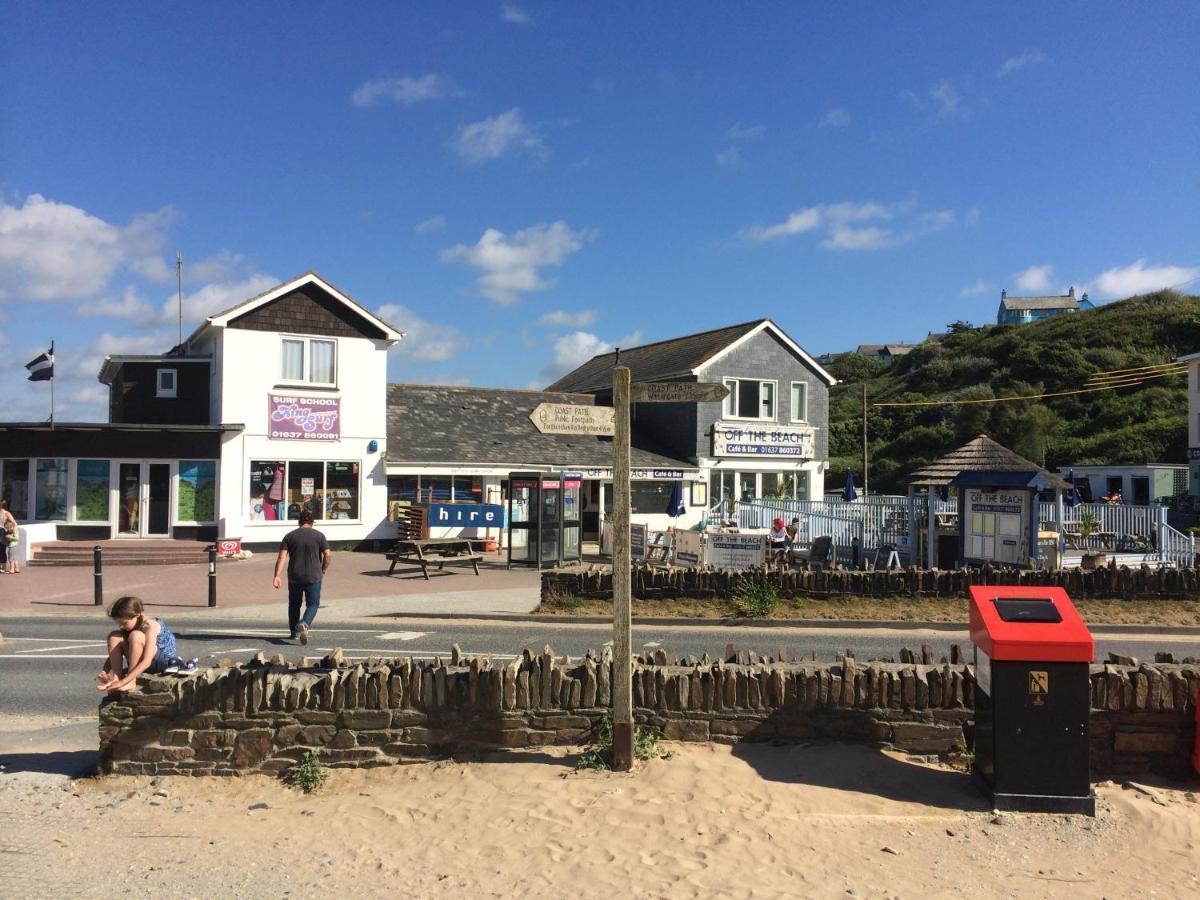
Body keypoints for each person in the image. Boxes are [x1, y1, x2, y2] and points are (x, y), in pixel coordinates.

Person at [96, 596, 189, 692]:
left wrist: (124, 681)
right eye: (118, 623)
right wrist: (105, 671)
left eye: (124, 623)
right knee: (114, 636)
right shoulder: (129, 625)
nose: (121, 626)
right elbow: (115, 650)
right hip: (142, 661)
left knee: (136, 635)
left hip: (162, 662)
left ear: (137, 615)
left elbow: (147, 660)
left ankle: (131, 681)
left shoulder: (150, 626)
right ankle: (116, 678)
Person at [273, 509, 331, 644]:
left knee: (294, 605)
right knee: (313, 604)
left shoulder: (289, 536)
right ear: (312, 522)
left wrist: (277, 575)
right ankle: (305, 623)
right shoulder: (319, 536)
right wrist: (323, 569)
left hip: (295, 576)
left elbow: (281, 557)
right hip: (314, 575)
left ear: (299, 522)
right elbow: (328, 554)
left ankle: (294, 633)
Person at [0, 500, 19, 575]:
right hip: (1, 533)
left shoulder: (7, 514)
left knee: (10, 552)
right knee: (2, 550)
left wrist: (13, 534)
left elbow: (14, 523)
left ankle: (5, 567)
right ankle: (16, 567)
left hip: (6, 534)